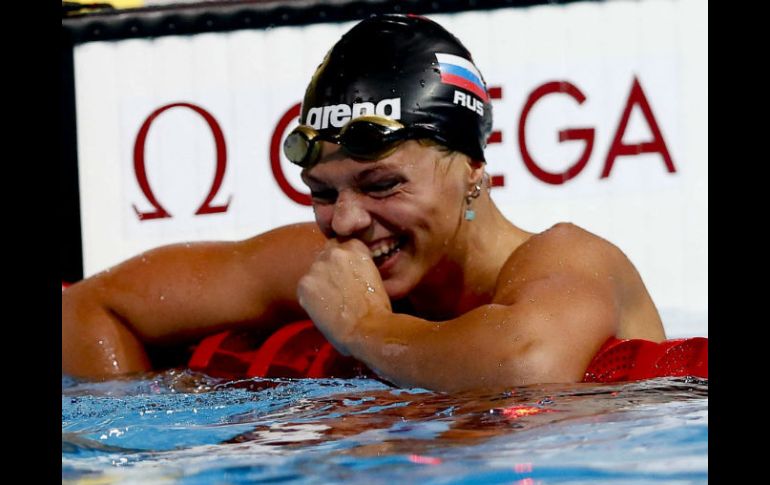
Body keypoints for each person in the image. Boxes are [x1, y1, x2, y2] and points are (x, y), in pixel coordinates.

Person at [62, 14, 670, 392]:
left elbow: (528, 369)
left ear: (474, 172)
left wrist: (363, 328)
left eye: (383, 186)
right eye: (323, 193)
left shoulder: (568, 260)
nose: (347, 221)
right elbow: (90, 309)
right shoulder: (323, 262)